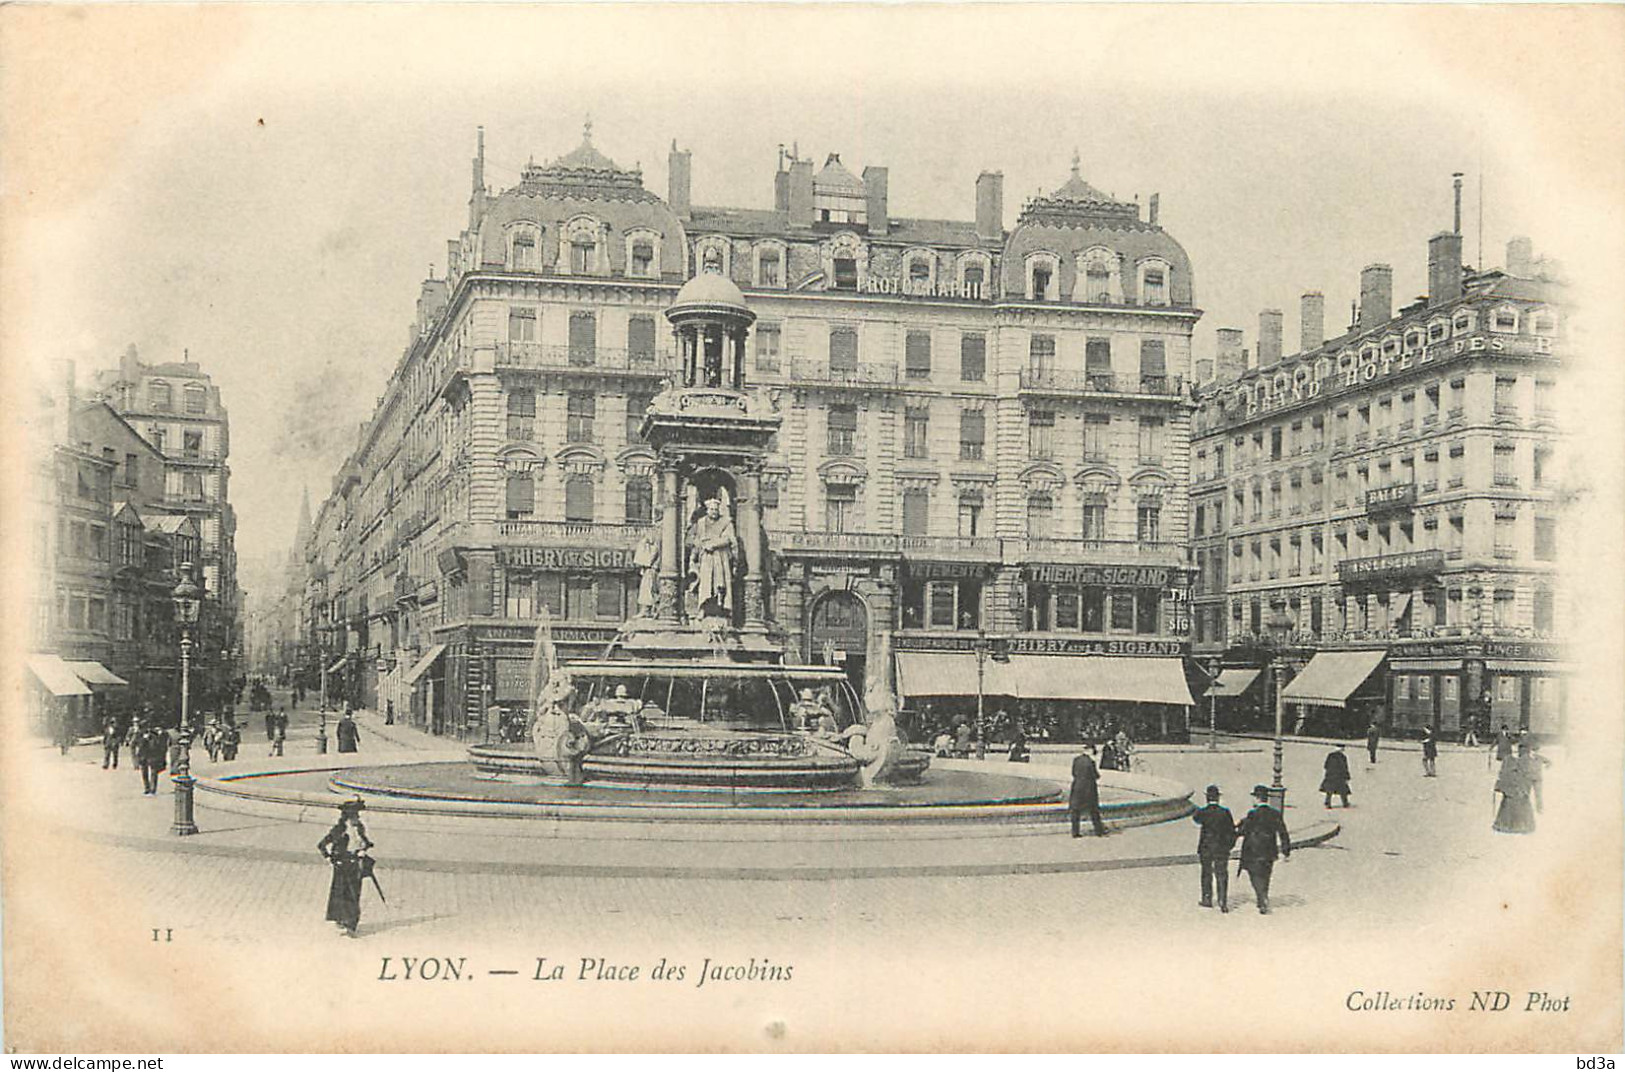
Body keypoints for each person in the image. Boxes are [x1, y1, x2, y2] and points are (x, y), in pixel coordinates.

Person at [317, 800, 374, 936]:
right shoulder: (339, 831)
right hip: (342, 866)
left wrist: (363, 850)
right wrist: (329, 858)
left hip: (355, 864)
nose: (357, 818)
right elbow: (322, 845)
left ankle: (351, 924)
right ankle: (342, 919)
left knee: (354, 894)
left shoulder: (359, 828)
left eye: (357, 815)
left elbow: (365, 842)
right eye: (355, 816)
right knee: (341, 894)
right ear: (348, 817)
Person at [1235, 784, 1291, 914]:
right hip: (1269, 850)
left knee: (1254, 875)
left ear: (1257, 798)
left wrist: (1238, 826)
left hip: (1253, 850)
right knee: (1266, 875)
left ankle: (1262, 898)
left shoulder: (1252, 814)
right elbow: (1283, 832)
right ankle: (1263, 897)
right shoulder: (1275, 814)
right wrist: (1285, 850)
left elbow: (1244, 831)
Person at [1192, 784, 1237, 912]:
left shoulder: (1203, 812)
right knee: (1222, 874)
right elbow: (1231, 831)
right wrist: (1229, 846)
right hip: (1222, 848)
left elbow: (1195, 819)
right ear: (1218, 798)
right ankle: (1223, 901)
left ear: (1207, 798)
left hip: (1206, 848)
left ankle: (1207, 899)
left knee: (1206, 873)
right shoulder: (1225, 812)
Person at [1493, 741, 1544, 834]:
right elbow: (1536, 782)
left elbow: (1502, 774)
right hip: (1520, 794)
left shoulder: (1509, 760)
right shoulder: (1530, 763)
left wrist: (1499, 785)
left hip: (1513, 794)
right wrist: (1539, 803)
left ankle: (1507, 826)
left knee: (1510, 806)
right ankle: (1519, 826)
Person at [1068, 743, 1107, 838]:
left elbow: (1073, 773)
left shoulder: (1076, 760)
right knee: (1094, 810)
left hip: (1077, 787)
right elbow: (1095, 775)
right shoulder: (1091, 762)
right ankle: (1099, 831)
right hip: (1089, 788)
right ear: (1090, 751)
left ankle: (1075, 832)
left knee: (1076, 811)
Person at [133, 721, 168, 795]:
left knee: (153, 772)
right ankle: (147, 788)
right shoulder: (139, 735)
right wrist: (144, 739)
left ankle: (153, 788)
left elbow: (158, 744)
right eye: (145, 727)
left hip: (152, 756)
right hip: (143, 756)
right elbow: (136, 744)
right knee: (144, 773)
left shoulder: (154, 734)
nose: (147, 728)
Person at [1320, 743, 1352, 808]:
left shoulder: (1330, 756)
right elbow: (1344, 768)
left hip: (1330, 776)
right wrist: (1347, 776)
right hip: (1339, 777)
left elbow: (1325, 766)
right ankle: (1345, 803)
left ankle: (1327, 802)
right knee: (1343, 790)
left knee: (1329, 790)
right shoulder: (1343, 757)